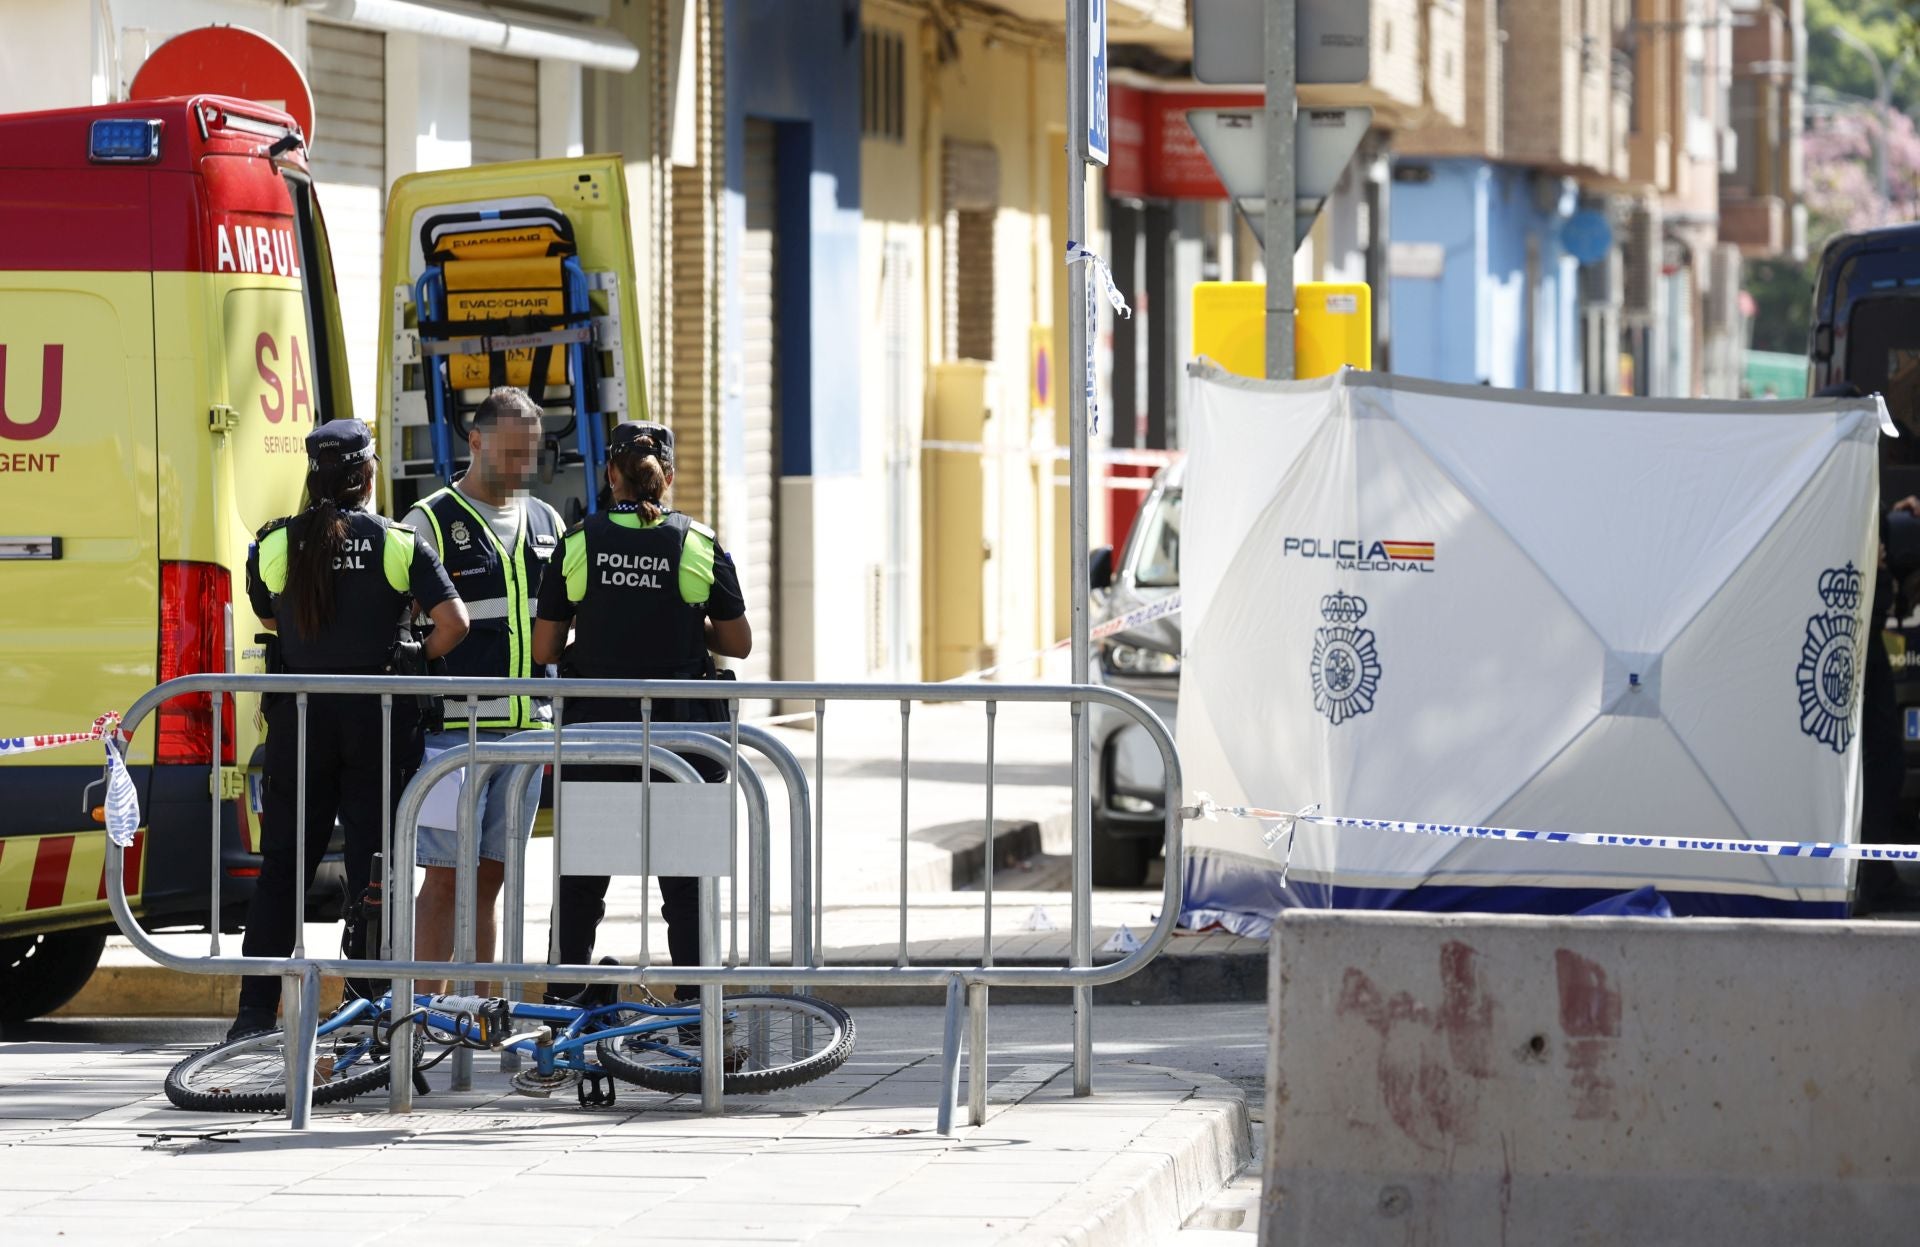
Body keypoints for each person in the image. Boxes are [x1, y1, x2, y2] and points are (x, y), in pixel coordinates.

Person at [233, 419, 469, 1039]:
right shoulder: (397, 543)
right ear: (368, 475)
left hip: (301, 724)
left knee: (284, 867)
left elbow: (270, 611)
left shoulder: (277, 544)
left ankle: (254, 1017)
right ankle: (369, 1005)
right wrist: (414, 656)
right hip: (378, 723)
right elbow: (455, 623)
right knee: (377, 867)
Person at [532, 421, 750, 1000]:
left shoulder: (578, 542)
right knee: (685, 881)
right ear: (669, 478)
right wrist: (680, 617)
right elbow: (738, 641)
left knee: (581, 877)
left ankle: (564, 1000)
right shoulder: (698, 542)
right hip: (680, 740)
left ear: (610, 476)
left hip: (597, 738)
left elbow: (544, 649)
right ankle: (695, 1006)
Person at [403, 388, 566, 992]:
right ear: (475, 442)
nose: (524, 465)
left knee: (493, 877)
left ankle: (479, 1019)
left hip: (525, 735)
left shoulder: (546, 521)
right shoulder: (430, 520)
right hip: (454, 736)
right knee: (445, 876)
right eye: (512, 451)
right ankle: (417, 1020)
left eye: (532, 452)